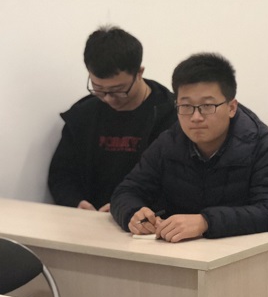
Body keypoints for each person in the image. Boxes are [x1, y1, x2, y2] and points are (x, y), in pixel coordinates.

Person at [110, 53, 268, 241]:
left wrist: (205, 222)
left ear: (231, 108)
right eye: (186, 106)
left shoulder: (264, 147)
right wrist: (133, 213)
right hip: (181, 251)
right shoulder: (168, 143)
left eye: (207, 106)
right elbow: (125, 191)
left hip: (248, 253)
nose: (196, 117)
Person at [48, 26, 176, 212]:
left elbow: (179, 182)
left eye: (118, 90)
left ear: (139, 73)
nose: (108, 98)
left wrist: (127, 208)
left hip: (147, 219)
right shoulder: (83, 115)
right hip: (89, 220)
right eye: (98, 88)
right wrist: (76, 202)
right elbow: (61, 175)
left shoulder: (173, 115)